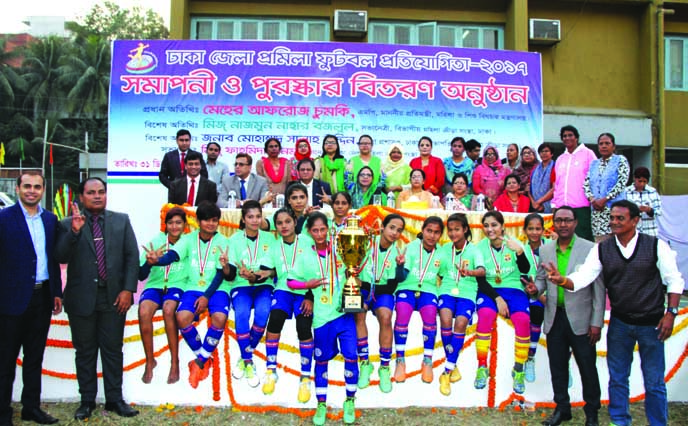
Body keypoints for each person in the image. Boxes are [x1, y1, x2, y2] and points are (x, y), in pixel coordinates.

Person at [545, 200, 684, 426]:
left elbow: (674, 281)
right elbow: (584, 277)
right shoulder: (602, 248)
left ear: (635, 220)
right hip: (620, 323)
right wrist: (563, 280)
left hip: (652, 325)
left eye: (620, 218)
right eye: (612, 218)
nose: (614, 222)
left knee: (654, 381)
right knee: (618, 379)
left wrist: (671, 313)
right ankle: (619, 421)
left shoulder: (656, 246)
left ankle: (658, 423)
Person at [55, 178, 139, 420]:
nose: (97, 196)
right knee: (85, 352)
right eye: (91, 193)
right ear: (81, 197)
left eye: (101, 192)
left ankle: (114, 399)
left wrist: (127, 290)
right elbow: (60, 256)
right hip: (81, 298)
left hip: (114, 298)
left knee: (113, 351)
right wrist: (74, 232)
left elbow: (132, 257)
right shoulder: (68, 224)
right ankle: (87, 401)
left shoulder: (121, 221)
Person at [523, 206, 604, 426]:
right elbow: (541, 278)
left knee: (587, 368)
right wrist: (535, 289)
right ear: (554, 224)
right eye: (558, 220)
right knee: (557, 367)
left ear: (576, 223)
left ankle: (592, 413)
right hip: (554, 316)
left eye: (567, 220)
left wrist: (597, 322)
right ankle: (562, 409)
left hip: (582, 319)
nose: (563, 224)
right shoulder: (547, 249)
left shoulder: (590, 249)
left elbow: (598, 288)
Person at [143, 201, 233, 389]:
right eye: (206, 220)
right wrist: (156, 260)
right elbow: (172, 256)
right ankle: (205, 357)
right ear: (198, 221)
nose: (210, 224)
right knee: (182, 317)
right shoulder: (188, 239)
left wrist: (207, 296)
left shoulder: (223, 242)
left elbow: (221, 274)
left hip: (217, 289)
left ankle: (199, 362)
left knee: (219, 317)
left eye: (214, 220)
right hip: (192, 288)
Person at [0, 173, 62, 426]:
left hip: (42, 298)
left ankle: (31, 408)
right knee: (5, 360)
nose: (32, 191)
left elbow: (53, 257)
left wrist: (56, 291)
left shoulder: (50, 219)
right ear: (17, 189)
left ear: (44, 190)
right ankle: (3, 413)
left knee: (34, 357)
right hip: (10, 299)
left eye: (37, 187)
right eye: (27, 186)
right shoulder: (3, 219)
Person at [288, 212, 357, 426]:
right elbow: (291, 282)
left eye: (323, 229)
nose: (319, 234)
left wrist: (353, 273)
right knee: (322, 360)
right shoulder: (304, 256)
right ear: (309, 232)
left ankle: (350, 400)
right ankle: (321, 404)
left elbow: (356, 266)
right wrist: (308, 285)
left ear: (328, 229)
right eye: (315, 230)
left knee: (351, 356)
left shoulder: (340, 249)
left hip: (343, 313)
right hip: (321, 317)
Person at [259, 208, 314, 402]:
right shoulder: (274, 246)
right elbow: (267, 268)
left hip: (304, 291)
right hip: (283, 290)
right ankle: (271, 369)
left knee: (304, 326)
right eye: (280, 223)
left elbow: (317, 270)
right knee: (274, 319)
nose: (284, 226)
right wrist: (259, 274)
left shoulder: (308, 243)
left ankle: (306, 376)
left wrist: (310, 297)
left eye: (288, 222)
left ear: (294, 223)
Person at [473, 211, 531, 394]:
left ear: (502, 226)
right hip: (489, 290)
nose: (490, 229)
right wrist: (497, 299)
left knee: (522, 319)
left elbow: (525, 270)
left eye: (494, 225)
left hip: (514, 289)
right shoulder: (479, 248)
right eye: (487, 226)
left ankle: (519, 369)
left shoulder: (514, 243)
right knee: (485, 314)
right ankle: (482, 366)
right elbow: (481, 280)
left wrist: (520, 252)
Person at [437, 213, 488, 396]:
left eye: (457, 229)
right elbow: (439, 272)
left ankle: (446, 371)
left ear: (465, 229)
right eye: (450, 230)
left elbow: (482, 271)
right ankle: (453, 364)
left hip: (467, 292)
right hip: (447, 290)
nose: (452, 233)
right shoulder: (444, 249)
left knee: (460, 323)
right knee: (444, 319)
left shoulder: (474, 250)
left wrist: (471, 272)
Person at [355, 214, 406, 393]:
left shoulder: (398, 253)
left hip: (382, 291)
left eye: (399, 230)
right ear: (382, 227)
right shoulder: (366, 242)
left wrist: (400, 267)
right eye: (392, 227)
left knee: (385, 317)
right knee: (358, 312)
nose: (395, 233)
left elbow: (392, 285)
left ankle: (384, 366)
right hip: (362, 289)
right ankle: (365, 363)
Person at [137, 208, 187, 385]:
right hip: (155, 286)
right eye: (171, 223)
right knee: (143, 312)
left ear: (185, 225)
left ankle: (175, 361)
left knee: (168, 310)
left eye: (178, 223)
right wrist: (150, 263)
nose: (174, 227)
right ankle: (150, 360)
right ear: (165, 225)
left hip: (177, 285)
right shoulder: (156, 242)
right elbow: (141, 275)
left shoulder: (188, 242)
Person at [228, 201, 274, 387]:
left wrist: (256, 275)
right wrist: (236, 271)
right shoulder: (234, 240)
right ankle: (248, 362)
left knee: (263, 313)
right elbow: (231, 271)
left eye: (258, 216)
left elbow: (273, 268)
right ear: (243, 219)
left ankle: (244, 356)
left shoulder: (270, 239)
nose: (255, 221)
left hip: (264, 285)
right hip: (241, 285)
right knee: (242, 314)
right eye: (250, 217)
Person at [393, 216, 443, 384]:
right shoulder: (412, 247)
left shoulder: (441, 252)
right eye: (429, 231)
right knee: (402, 311)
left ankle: (427, 360)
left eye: (436, 232)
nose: (432, 236)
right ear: (422, 230)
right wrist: (400, 266)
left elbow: (445, 277)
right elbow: (401, 278)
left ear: (441, 235)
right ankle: (400, 360)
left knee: (430, 314)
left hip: (428, 290)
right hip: (407, 288)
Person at [551, 125, 597, 241]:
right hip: (562, 207)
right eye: (564, 136)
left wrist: (593, 199)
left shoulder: (588, 154)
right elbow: (557, 184)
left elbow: (595, 179)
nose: (567, 138)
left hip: (581, 207)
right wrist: (555, 204)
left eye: (570, 135)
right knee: (563, 241)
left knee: (583, 241)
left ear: (576, 137)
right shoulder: (560, 158)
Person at [584, 133, 630, 242]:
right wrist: (593, 200)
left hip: (615, 210)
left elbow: (621, 182)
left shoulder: (620, 160)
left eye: (607, 143)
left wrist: (605, 199)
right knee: (600, 245)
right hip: (597, 212)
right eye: (601, 144)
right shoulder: (594, 164)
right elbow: (586, 184)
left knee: (617, 243)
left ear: (613, 146)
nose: (604, 146)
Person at [520, 214, 547, 384]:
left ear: (543, 230)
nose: (535, 232)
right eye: (531, 228)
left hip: (552, 292)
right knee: (536, 313)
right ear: (525, 230)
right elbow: (522, 277)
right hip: (531, 293)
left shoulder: (552, 248)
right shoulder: (521, 250)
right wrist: (539, 295)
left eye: (538, 229)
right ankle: (530, 357)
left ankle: (565, 361)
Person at [625, 166, 662, 236]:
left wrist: (649, 210)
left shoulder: (652, 192)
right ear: (634, 178)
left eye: (644, 181)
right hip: (632, 230)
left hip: (650, 231)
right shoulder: (626, 192)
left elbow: (659, 211)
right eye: (640, 181)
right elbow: (622, 210)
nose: (642, 184)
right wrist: (635, 210)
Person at [530, 143, 556, 213]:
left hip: (550, 205)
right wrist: (534, 203)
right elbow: (529, 189)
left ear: (552, 154)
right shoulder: (534, 170)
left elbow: (554, 189)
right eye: (542, 151)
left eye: (546, 151)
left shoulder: (555, 167)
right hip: (535, 206)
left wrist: (539, 202)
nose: (544, 153)